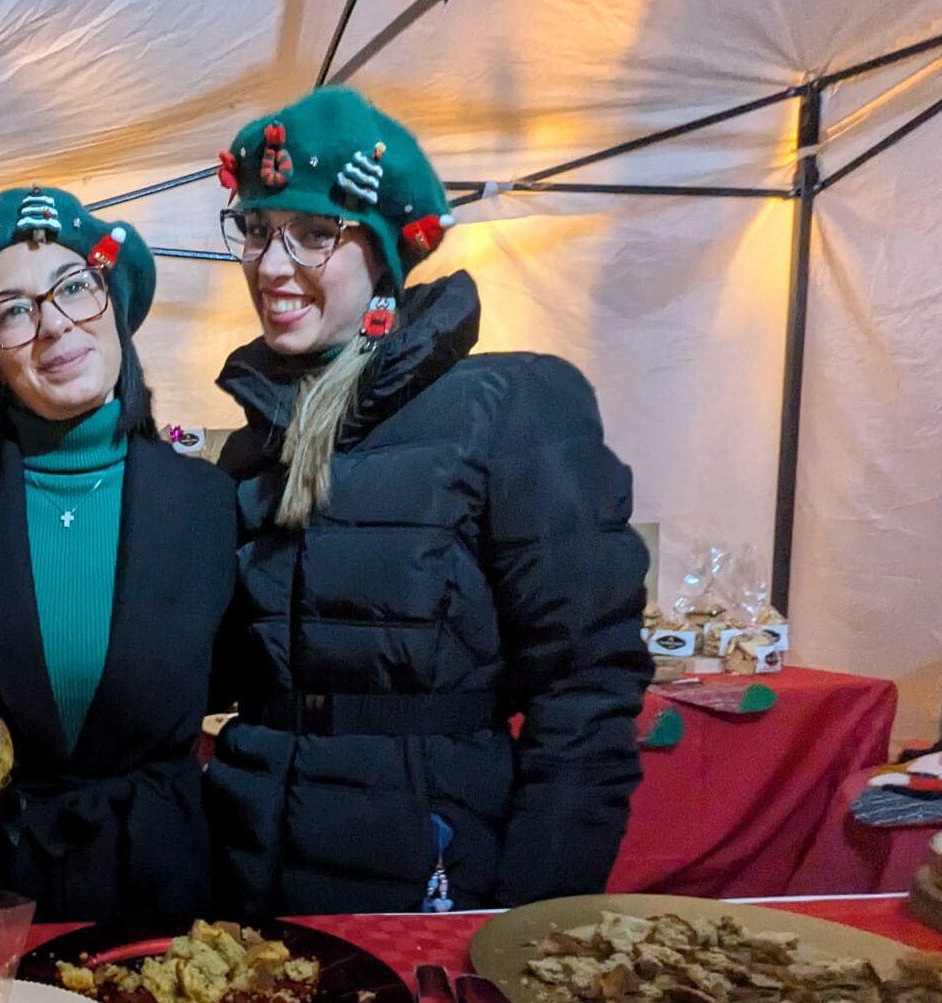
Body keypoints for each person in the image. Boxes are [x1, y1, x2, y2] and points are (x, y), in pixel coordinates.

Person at [206, 87, 654, 914]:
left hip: (428, 876)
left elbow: (587, 687)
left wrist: (533, 912)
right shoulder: (250, 445)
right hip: (246, 871)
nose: (272, 267)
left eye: (312, 234)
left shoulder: (511, 406)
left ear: (378, 252)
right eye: (257, 230)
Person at [0, 187, 236, 921]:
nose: (53, 324)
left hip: (162, 875)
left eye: (74, 288)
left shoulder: (208, 502)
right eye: (13, 310)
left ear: (114, 310)